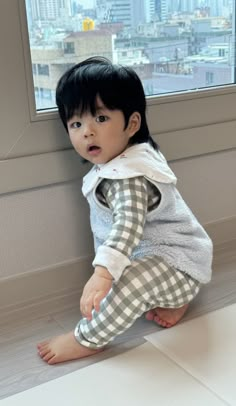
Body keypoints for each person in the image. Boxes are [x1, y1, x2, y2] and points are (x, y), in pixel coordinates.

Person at [37, 57, 213, 365]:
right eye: (76, 124)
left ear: (132, 124)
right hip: (168, 263)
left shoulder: (128, 177)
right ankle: (177, 301)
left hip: (178, 264)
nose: (87, 132)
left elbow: (128, 226)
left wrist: (103, 273)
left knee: (127, 283)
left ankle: (88, 338)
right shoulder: (131, 157)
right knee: (129, 278)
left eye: (100, 119)